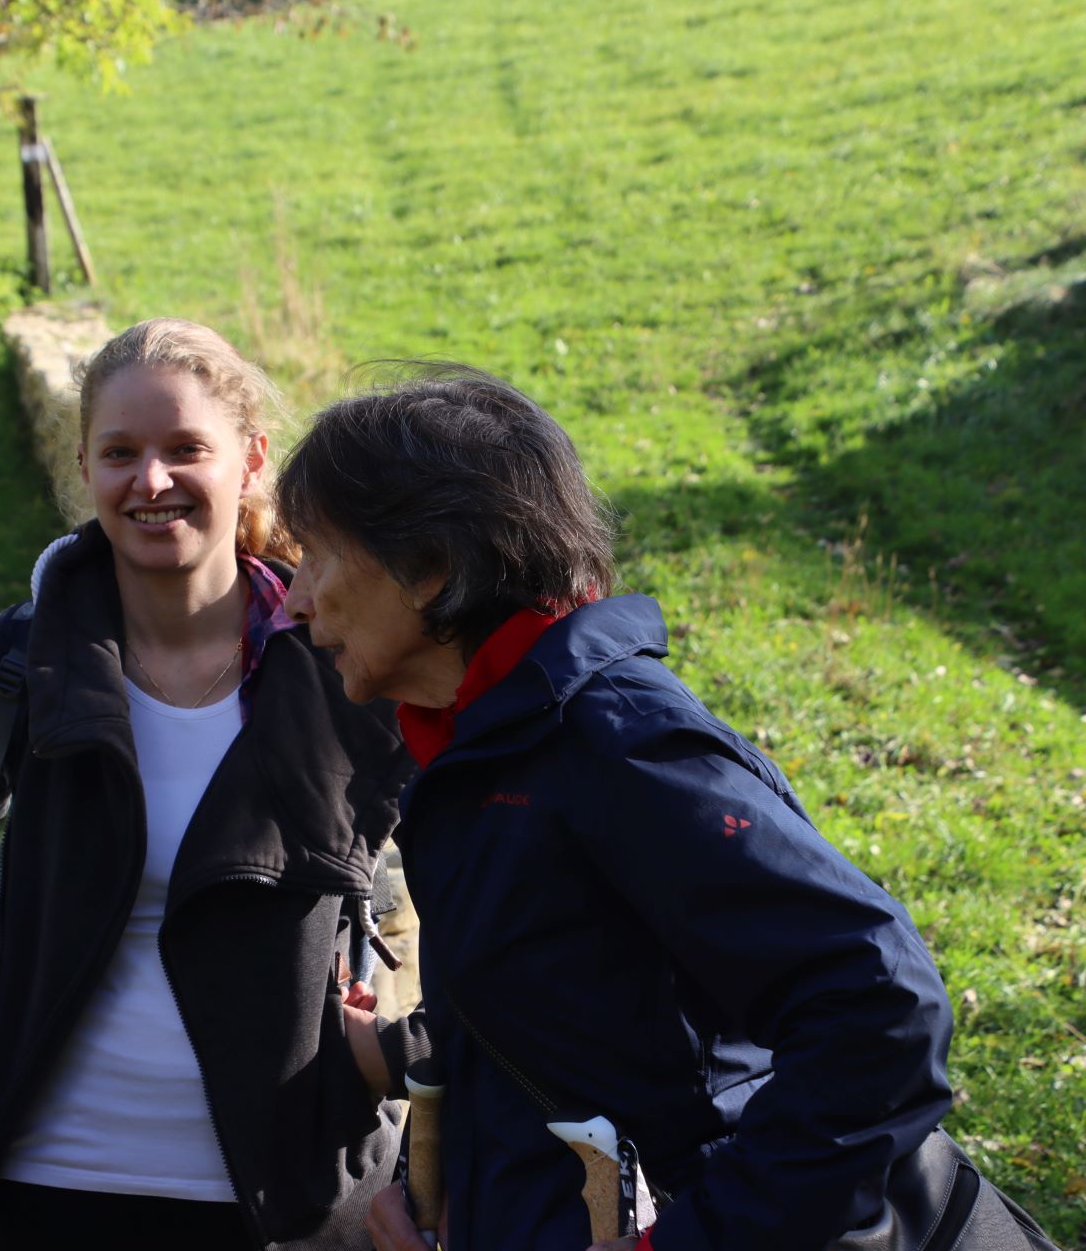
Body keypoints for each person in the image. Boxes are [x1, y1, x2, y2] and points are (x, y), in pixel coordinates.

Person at [273, 364, 955, 1251]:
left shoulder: (615, 744)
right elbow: (563, 1039)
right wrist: (435, 1195)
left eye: (319, 554)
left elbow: (881, 1003)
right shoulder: (481, 753)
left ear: (431, 568)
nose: (294, 598)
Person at [0, 319, 425, 1251]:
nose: (151, 482)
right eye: (120, 453)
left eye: (186, 449)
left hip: (289, 1200)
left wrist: (398, 1053)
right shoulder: (17, 665)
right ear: (83, 465)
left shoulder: (345, 666)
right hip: (48, 1188)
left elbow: (502, 884)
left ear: (251, 460)